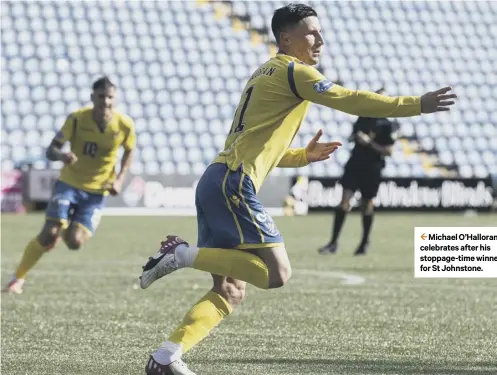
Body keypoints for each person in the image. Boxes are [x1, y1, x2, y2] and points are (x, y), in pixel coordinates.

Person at [139, 4, 457, 374]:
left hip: (218, 179)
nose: (320, 39)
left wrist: (301, 156)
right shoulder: (295, 70)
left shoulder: (264, 73)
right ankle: (182, 255)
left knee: (230, 290)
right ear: (285, 38)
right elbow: (348, 99)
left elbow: (256, 144)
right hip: (233, 184)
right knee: (277, 274)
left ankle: (166, 356)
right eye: (311, 33)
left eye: (320, 32)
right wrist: (416, 104)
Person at [4, 76, 136, 294]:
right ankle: (17, 278)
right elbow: (51, 150)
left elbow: (130, 150)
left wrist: (120, 178)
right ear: (92, 97)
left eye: (110, 97)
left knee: (75, 242)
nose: (106, 101)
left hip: (97, 191)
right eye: (101, 96)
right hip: (69, 183)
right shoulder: (77, 119)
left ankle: (64, 227)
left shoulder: (124, 125)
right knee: (48, 233)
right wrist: (62, 156)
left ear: (116, 99)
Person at [318, 88, 400, 256]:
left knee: (366, 204)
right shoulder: (363, 117)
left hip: (373, 167)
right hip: (355, 163)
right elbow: (352, 136)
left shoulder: (387, 124)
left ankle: (364, 242)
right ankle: (333, 242)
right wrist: (355, 138)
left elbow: (389, 151)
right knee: (344, 202)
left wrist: (369, 142)